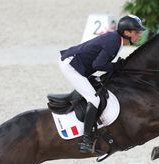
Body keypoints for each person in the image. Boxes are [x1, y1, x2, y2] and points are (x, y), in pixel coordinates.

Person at [59, 15, 146, 153]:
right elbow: (98, 64)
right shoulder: (114, 42)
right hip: (71, 65)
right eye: (136, 32)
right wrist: (116, 66)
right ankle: (86, 140)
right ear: (127, 32)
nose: (139, 35)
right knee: (94, 98)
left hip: (80, 63)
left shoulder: (117, 40)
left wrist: (115, 66)